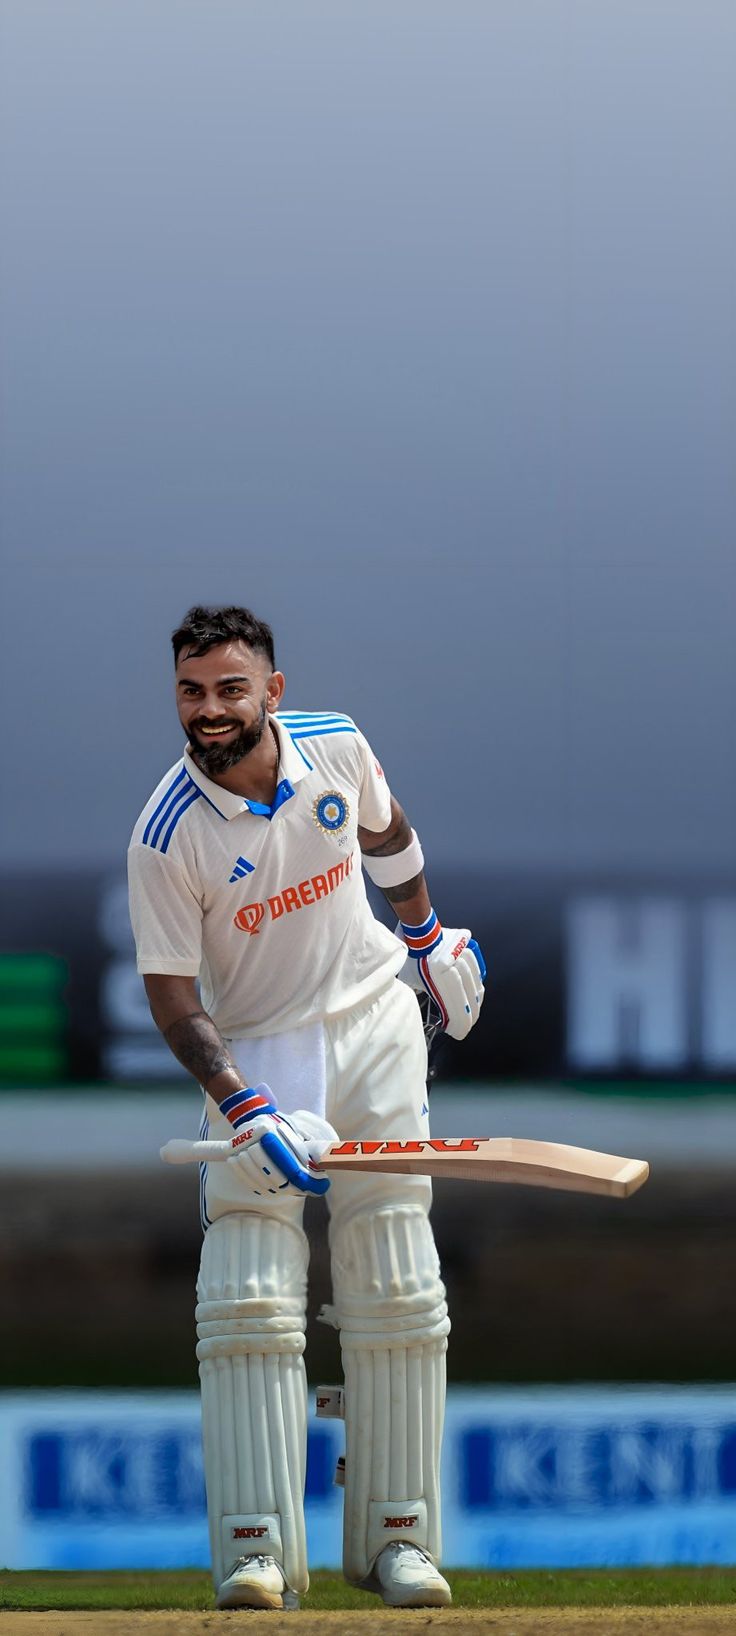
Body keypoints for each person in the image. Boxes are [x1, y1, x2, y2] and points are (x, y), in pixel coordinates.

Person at [127, 604, 485, 1611]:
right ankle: (256, 1549)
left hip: (374, 1017)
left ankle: (397, 1541)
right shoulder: (165, 833)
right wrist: (244, 1106)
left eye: (230, 688)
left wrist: (426, 939)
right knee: (248, 1290)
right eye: (192, 691)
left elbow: (391, 835)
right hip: (259, 1051)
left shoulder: (336, 743)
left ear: (270, 692)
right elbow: (172, 997)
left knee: (396, 1272)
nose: (210, 709)